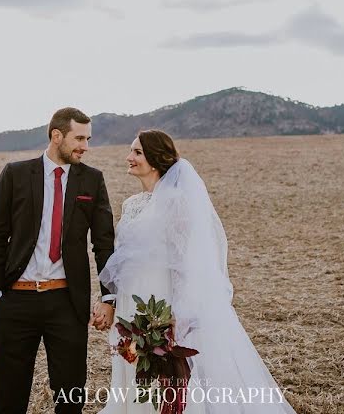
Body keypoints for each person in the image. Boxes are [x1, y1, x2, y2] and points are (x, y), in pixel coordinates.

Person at [97, 130, 297, 413]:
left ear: (155, 160)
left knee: (165, 375)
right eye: (131, 151)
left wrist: (178, 313)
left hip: (160, 302)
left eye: (137, 152)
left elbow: (183, 261)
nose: (129, 158)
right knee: (132, 365)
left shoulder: (177, 202)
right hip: (132, 301)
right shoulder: (131, 204)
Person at [0, 107, 117, 414]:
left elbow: (104, 243)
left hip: (66, 302)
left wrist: (109, 295)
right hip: (16, 300)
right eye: (79, 138)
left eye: (88, 138)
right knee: (10, 395)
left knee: (70, 395)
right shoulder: (16, 174)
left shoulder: (92, 180)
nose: (85, 146)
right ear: (56, 136)